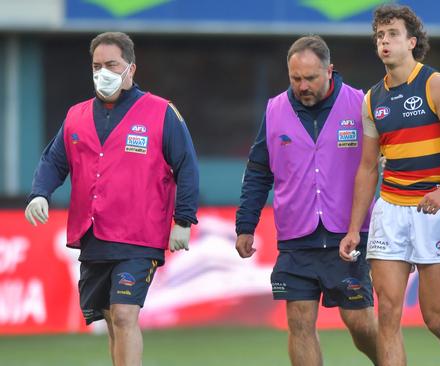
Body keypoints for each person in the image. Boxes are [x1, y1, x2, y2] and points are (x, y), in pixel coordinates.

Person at [24, 32, 199, 366]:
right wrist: (39, 194)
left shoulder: (161, 113)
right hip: (94, 235)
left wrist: (183, 219)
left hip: (139, 236)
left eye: (111, 65)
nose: (102, 72)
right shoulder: (75, 116)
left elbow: (186, 166)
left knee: (123, 315)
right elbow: (53, 161)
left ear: (130, 69)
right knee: (111, 320)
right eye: (96, 65)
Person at [340, 5, 440, 366]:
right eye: (380, 36)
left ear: (411, 42)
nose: (385, 41)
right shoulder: (372, 99)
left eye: (392, 34)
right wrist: (353, 229)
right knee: (388, 314)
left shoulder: (434, 84)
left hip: (431, 211)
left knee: (436, 318)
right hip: (389, 211)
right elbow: (367, 167)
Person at [235, 35, 378, 366]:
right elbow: (258, 170)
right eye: (296, 78)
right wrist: (246, 225)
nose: (303, 86)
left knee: (359, 323)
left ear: (330, 70)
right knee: (299, 322)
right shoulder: (274, 110)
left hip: (349, 234)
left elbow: (386, 158)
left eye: (310, 78)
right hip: (296, 238)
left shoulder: (360, 103)